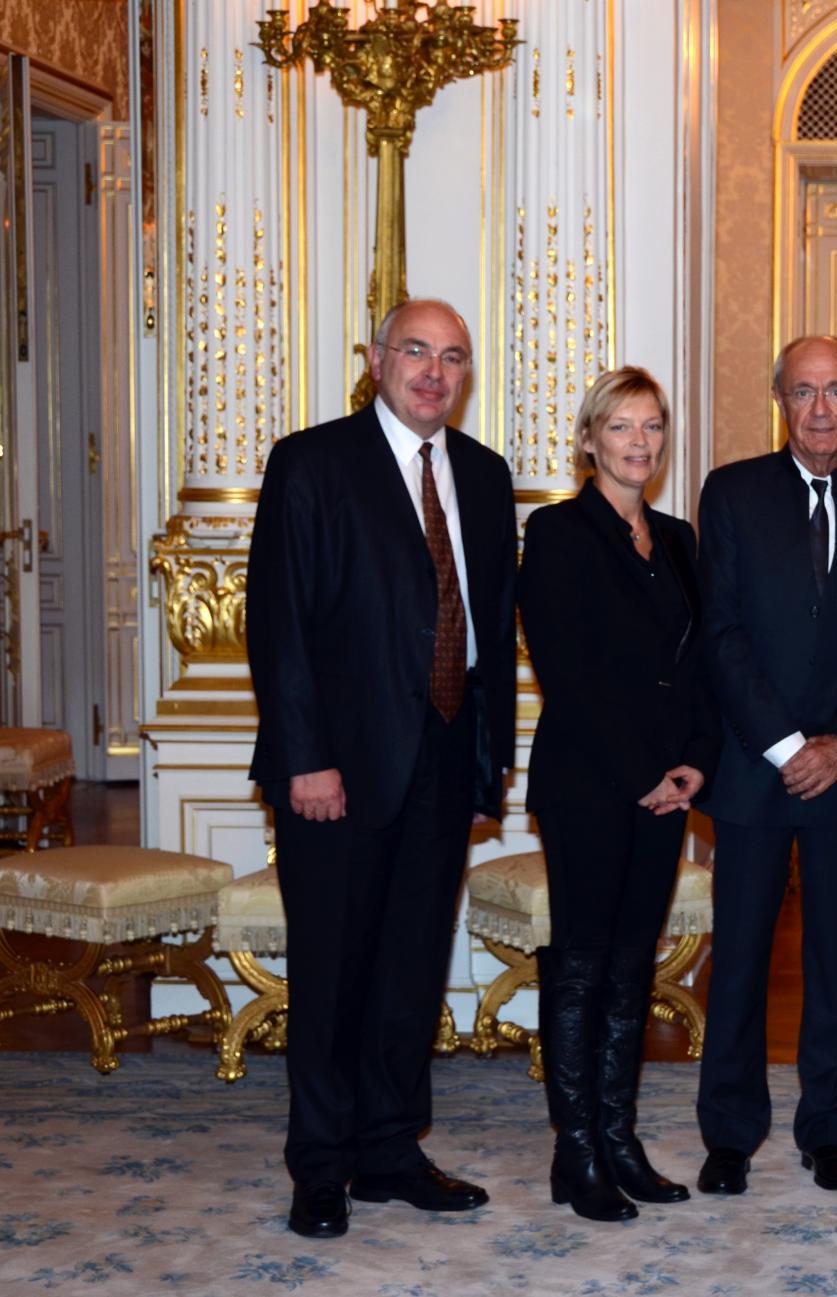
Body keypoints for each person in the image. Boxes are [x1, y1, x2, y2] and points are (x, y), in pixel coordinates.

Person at [247, 298, 518, 1238]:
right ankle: (320, 1166)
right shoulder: (313, 462)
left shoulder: (484, 477)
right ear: (375, 357)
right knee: (332, 972)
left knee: (410, 968)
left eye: (452, 357)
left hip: (446, 759)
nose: (434, 372)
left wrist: (489, 759)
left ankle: (390, 1151)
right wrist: (304, 760)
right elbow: (277, 626)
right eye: (415, 351)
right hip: (340, 770)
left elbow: (488, 628)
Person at [693, 335, 837, 1196]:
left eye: (835, 390)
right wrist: (788, 745)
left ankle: (827, 1127)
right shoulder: (733, 493)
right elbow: (721, 632)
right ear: (780, 400)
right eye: (803, 391)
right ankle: (729, 1132)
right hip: (754, 771)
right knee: (743, 957)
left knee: (834, 960)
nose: (820, 408)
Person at [518, 366, 718, 1222]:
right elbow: (568, 671)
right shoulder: (558, 533)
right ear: (589, 438)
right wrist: (645, 767)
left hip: (668, 790)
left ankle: (620, 1137)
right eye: (622, 426)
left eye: (652, 426)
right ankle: (577, 1150)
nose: (640, 441)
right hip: (591, 784)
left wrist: (694, 766)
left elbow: (702, 665)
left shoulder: (679, 540)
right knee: (584, 963)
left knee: (634, 963)